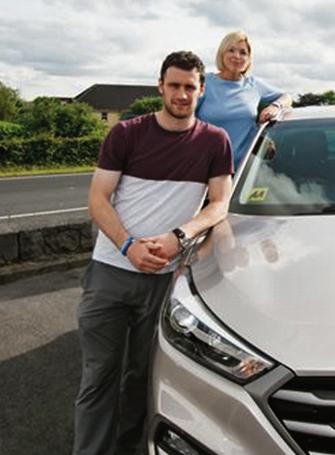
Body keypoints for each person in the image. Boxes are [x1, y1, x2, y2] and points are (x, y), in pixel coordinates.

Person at [73, 51, 233, 455]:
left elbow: (218, 204)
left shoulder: (215, 141)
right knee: (99, 378)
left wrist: (180, 236)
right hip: (111, 272)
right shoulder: (126, 134)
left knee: (143, 378)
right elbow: (98, 199)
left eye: (190, 87)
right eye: (174, 85)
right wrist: (127, 246)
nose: (182, 94)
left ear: (201, 90)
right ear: (160, 86)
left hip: (165, 280)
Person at [197, 30, 292, 170]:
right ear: (222, 53)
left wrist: (275, 106)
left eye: (243, 52)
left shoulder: (253, 84)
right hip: (205, 169)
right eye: (231, 50)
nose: (237, 56)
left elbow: (287, 97)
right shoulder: (204, 82)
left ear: (249, 59)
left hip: (243, 171)